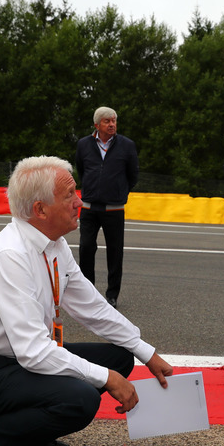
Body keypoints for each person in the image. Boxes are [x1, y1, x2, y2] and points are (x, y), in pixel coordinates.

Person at [0, 155, 173, 446]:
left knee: (120, 356)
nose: (79, 201)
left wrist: (146, 352)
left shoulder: (54, 244)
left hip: (21, 360)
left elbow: (93, 308)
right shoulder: (10, 255)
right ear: (40, 210)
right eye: (69, 194)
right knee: (81, 399)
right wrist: (107, 378)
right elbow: (33, 351)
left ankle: (31, 430)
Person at [74, 107, 139, 309]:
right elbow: (81, 170)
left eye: (114, 121)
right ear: (97, 125)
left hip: (114, 208)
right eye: (106, 121)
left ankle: (112, 295)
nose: (111, 124)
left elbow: (133, 175)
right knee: (86, 248)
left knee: (115, 252)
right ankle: (88, 293)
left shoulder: (127, 145)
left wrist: (120, 192)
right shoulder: (84, 145)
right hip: (89, 206)